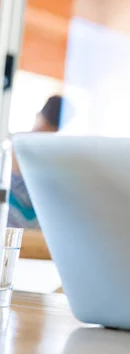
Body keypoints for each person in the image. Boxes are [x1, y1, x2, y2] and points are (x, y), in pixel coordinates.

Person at [8, 95, 72, 259]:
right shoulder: (56, 154)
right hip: (32, 239)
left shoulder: (15, 141)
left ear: (39, 115)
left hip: (19, 238)